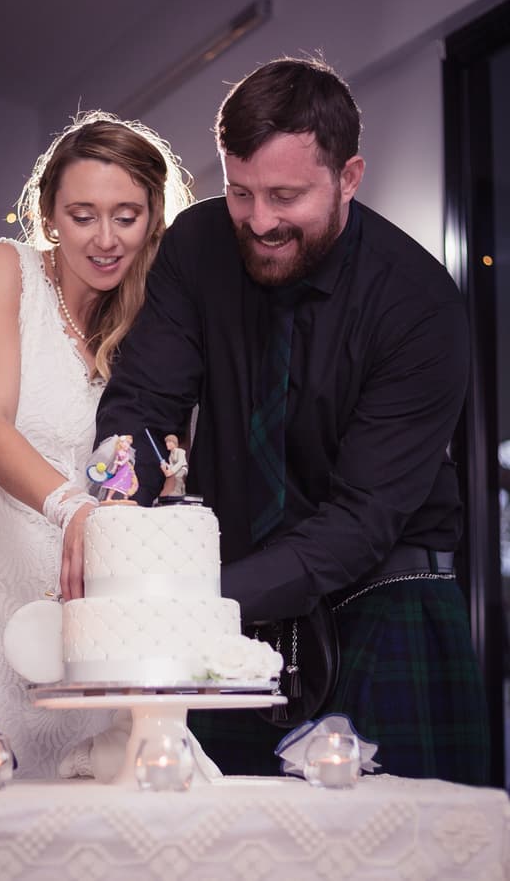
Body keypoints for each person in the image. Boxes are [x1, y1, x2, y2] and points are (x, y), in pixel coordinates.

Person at [92, 57, 490, 785]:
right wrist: (111, 503)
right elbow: (142, 404)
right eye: (240, 191)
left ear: (350, 176)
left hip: (381, 601)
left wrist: (195, 596)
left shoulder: (421, 305)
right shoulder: (197, 245)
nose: (260, 219)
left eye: (285, 195)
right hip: (228, 608)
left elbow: (361, 521)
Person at [0, 110, 192, 778]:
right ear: (49, 215)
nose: (103, 238)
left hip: (86, 634)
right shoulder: (2, 270)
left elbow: (128, 478)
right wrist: (74, 509)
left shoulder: (148, 338)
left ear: (154, 218)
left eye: (125, 215)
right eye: (81, 214)